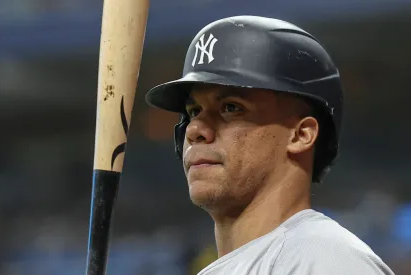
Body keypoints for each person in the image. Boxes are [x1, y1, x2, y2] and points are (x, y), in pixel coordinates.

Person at [145, 15, 395, 275]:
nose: (195, 129)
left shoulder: (323, 259)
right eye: (194, 111)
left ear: (301, 135)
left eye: (231, 108)